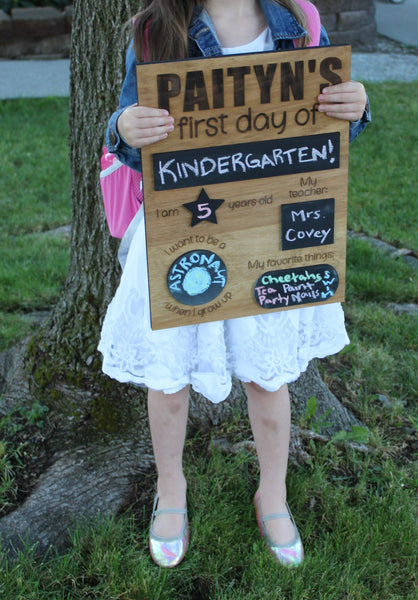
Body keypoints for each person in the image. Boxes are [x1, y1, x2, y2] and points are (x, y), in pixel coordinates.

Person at [99, 0, 370, 568]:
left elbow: (323, 130)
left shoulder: (299, 20)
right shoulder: (155, 28)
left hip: (267, 232)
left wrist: (355, 108)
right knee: (168, 379)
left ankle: (272, 493)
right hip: (181, 230)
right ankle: (171, 490)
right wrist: (125, 128)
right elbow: (127, 132)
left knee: (268, 376)